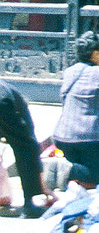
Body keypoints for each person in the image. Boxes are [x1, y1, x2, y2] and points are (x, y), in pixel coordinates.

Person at [53, 30, 99, 186]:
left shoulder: (69, 72)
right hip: (93, 138)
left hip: (63, 135)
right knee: (97, 177)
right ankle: (64, 168)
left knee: (77, 181)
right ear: (95, 53)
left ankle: (67, 170)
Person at [0, 80, 55, 217]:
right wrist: (41, 186)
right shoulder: (11, 100)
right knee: (26, 149)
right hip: (4, 102)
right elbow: (29, 147)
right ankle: (31, 203)